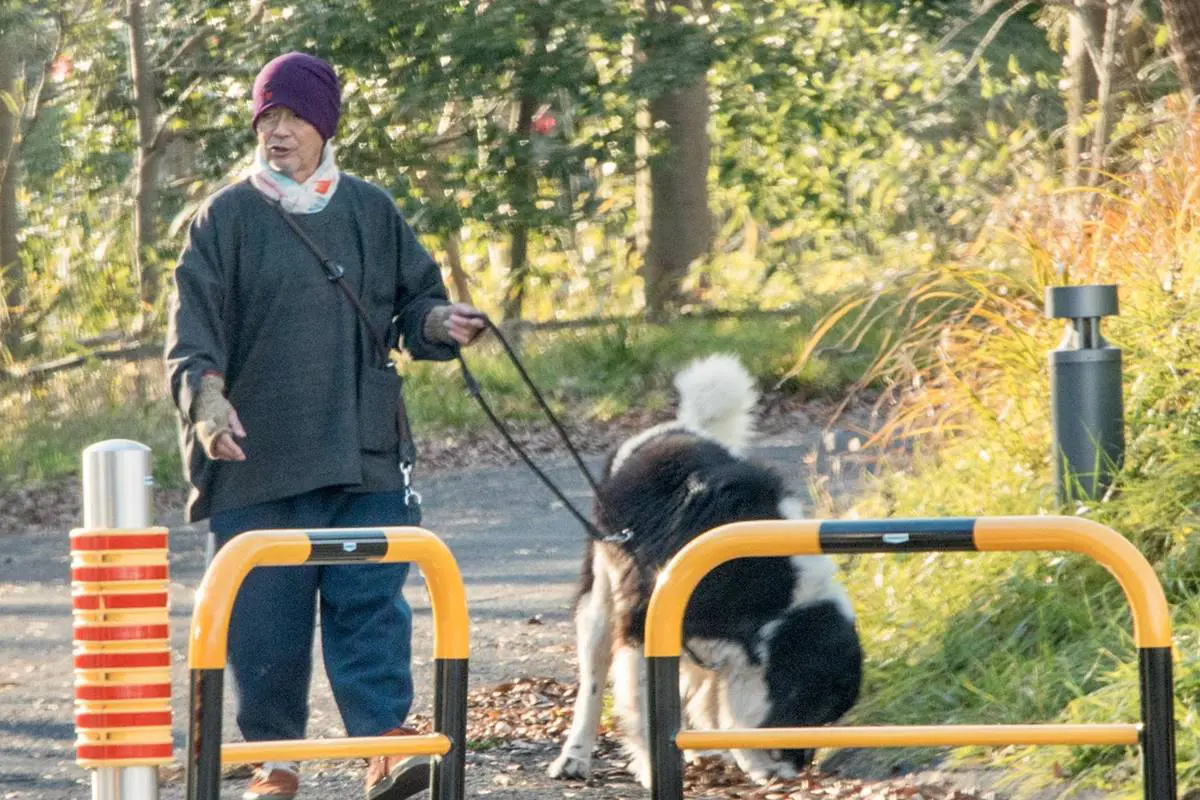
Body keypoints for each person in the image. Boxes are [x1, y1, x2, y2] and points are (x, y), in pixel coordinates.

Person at [164, 52, 486, 800]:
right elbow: (192, 335)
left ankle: (383, 747)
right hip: (257, 458)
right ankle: (274, 763)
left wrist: (439, 321)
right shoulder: (225, 217)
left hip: (364, 451)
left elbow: (414, 303)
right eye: (267, 118)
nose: (277, 132)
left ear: (325, 126)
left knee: (370, 606)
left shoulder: (371, 210)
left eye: (294, 117)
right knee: (263, 625)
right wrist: (207, 405)